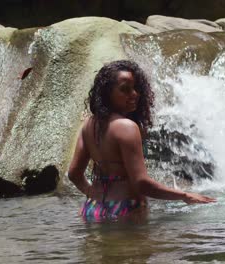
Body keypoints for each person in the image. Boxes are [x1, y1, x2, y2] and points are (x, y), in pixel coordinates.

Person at [68, 60, 216, 221]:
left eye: (136, 88)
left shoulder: (89, 125)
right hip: (125, 208)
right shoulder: (126, 127)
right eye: (125, 89)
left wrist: (90, 192)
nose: (134, 94)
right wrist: (185, 195)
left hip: (92, 208)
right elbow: (141, 183)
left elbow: (74, 173)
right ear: (107, 93)